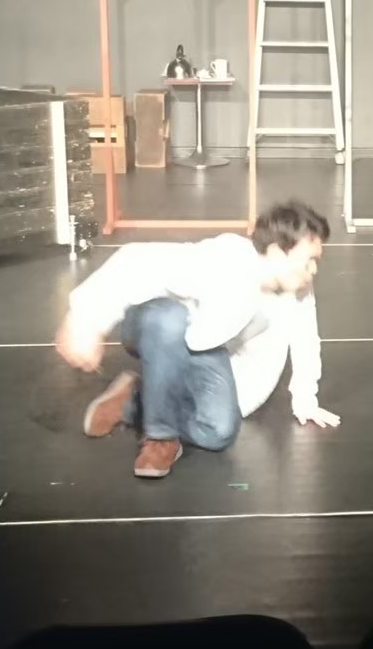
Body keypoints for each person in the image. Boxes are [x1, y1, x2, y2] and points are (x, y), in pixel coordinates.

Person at [54, 201, 341, 478]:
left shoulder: (297, 288)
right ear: (278, 253)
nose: (314, 270)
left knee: (219, 431)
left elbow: (306, 338)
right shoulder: (225, 258)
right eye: (310, 261)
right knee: (170, 319)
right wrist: (85, 320)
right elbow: (134, 260)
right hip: (154, 327)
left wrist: (305, 398)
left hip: (201, 349)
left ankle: (135, 399)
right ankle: (161, 438)